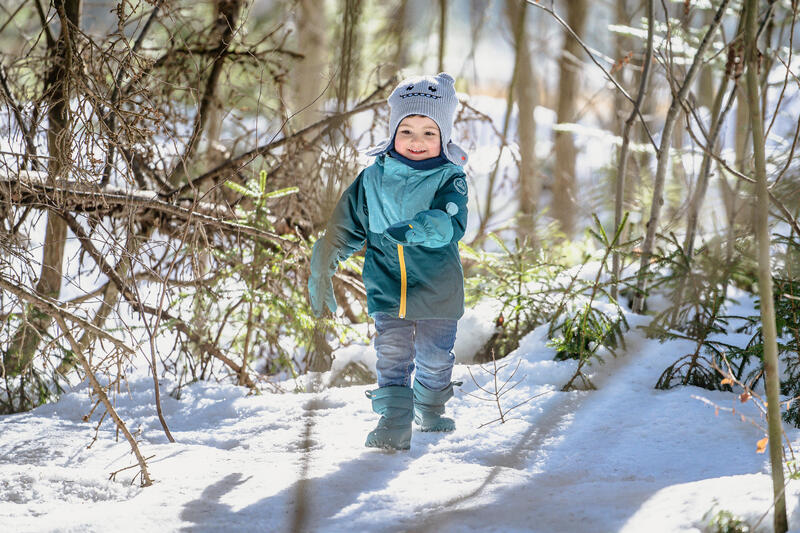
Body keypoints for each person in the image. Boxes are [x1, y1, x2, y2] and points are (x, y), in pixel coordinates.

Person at [308, 72, 469, 450]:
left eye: (429, 132)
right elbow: (346, 225)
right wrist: (325, 257)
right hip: (387, 287)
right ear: (393, 132)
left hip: (437, 289)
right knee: (392, 355)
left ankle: (430, 405)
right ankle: (394, 421)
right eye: (407, 131)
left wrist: (420, 228)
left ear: (443, 136)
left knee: (433, 355)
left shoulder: (451, 177)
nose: (417, 141)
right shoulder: (371, 179)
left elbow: (452, 223)